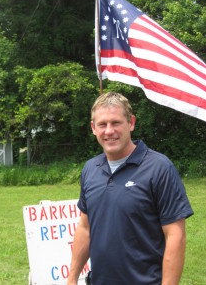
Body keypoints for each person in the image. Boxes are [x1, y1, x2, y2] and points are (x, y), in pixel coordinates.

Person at [68, 92, 193, 285]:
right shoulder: (90, 169)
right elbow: (85, 228)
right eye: (102, 124)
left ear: (131, 123)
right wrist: (72, 279)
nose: (109, 131)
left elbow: (176, 236)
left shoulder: (159, 168)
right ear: (93, 128)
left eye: (116, 122)